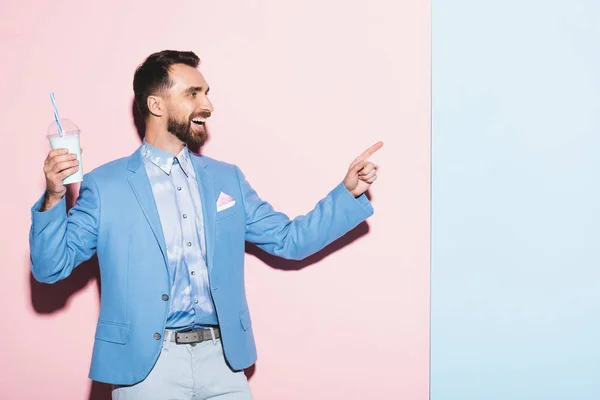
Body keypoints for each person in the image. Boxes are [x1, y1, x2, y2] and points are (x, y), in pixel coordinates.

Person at [29, 50, 382, 400]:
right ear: (156, 105)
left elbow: (290, 240)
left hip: (223, 362)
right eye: (193, 94)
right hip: (145, 369)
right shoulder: (106, 185)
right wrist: (54, 197)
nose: (208, 106)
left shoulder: (227, 178)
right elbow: (50, 268)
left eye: (206, 93)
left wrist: (346, 194)